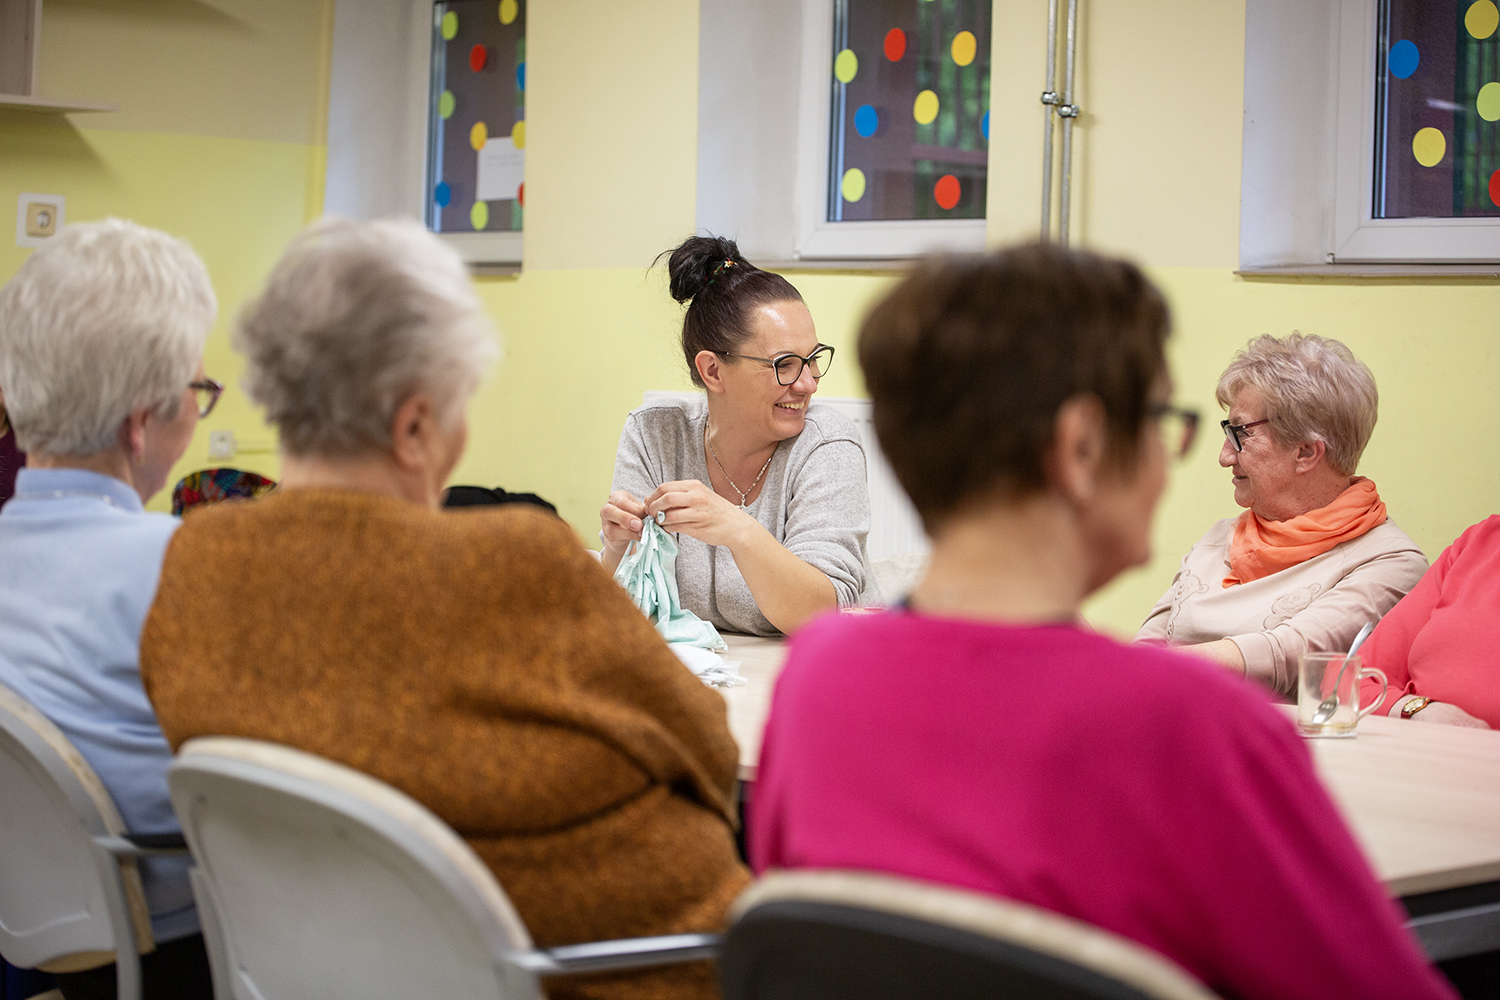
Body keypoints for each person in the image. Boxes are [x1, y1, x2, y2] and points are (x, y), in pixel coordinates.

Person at [748, 244, 1457, 1000]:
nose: (1188, 457)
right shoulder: (1203, 730)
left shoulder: (819, 674)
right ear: (1081, 447)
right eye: (1161, 420)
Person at [138, 218, 749, 1000]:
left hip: (334, 970)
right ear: (415, 426)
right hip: (604, 970)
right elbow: (708, 754)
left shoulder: (195, 561)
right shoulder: (519, 563)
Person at [0, 219, 220, 998]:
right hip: (193, 953)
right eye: (198, 392)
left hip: (63, 946)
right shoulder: (183, 566)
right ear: (141, 422)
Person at [600, 235, 875, 636]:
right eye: (785, 364)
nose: (808, 384)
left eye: (812, 359)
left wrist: (737, 530)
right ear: (713, 371)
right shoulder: (653, 433)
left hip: (822, 662)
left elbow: (823, 615)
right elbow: (626, 610)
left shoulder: (827, 444)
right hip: (710, 666)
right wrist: (616, 549)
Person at [1136, 333, 1427, 696]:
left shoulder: (1391, 561)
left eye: (1240, 433)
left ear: (1306, 452)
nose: (1224, 456)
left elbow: (1291, 658)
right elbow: (1144, 647)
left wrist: (1136, 666)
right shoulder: (1219, 537)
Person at [1355, 516, 1499, 729]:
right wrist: (1418, 710)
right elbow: (1352, 681)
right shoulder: (1481, 541)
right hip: (1413, 742)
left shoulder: (1391, 556)